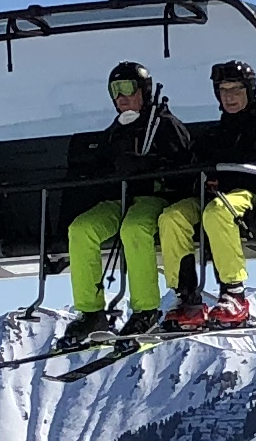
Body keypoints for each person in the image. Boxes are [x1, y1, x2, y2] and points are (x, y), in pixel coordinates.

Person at [57, 61, 194, 350]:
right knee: (81, 230)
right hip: (119, 198)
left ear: (143, 90)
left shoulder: (164, 125)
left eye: (127, 89)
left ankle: (146, 309)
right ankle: (92, 313)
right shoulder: (116, 131)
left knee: (135, 228)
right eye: (115, 90)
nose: (121, 97)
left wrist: (151, 167)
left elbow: (184, 165)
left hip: (153, 197)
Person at [158, 57, 256, 332]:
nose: (230, 97)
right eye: (224, 91)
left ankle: (233, 292)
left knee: (218, 213)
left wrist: (222, 174)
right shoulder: (216, 132)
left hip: (249, 194)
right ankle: (186, 297)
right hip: (209, 192)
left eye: (236, 90)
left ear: (250, 91)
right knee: (171, 217)